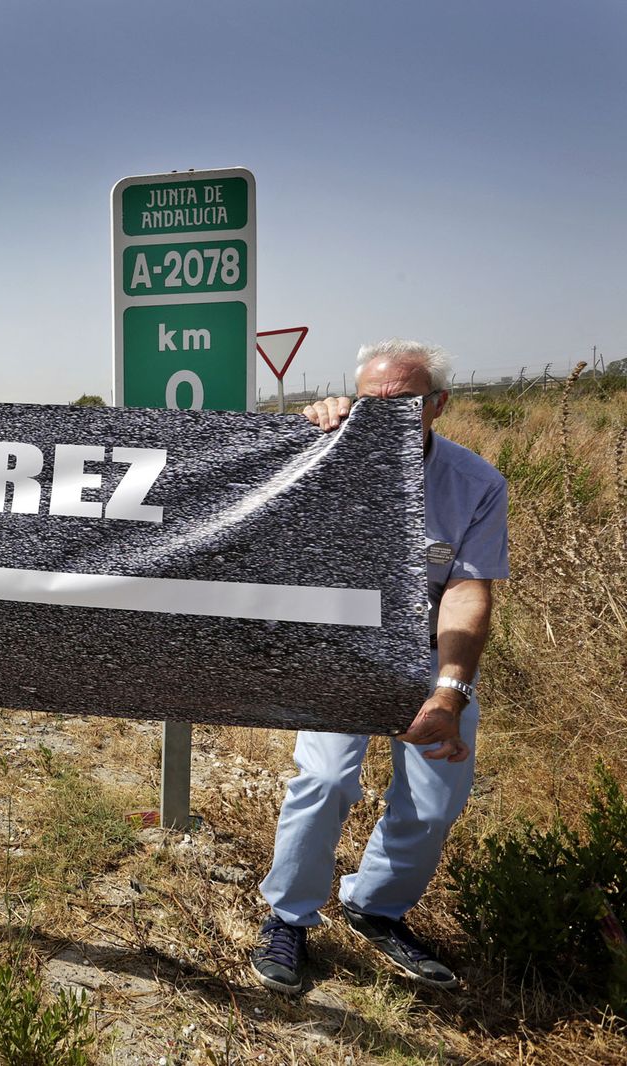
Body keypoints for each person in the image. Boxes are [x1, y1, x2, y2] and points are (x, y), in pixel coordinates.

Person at [251, 339, 508, 994]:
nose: (385, 415)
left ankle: (377, 906)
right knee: (325, 779)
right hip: (345, 646)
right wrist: (299, 429)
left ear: (439, 405)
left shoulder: (475, 485)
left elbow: (468, 590)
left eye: (405, 403)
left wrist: (450, 689)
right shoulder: (328, 453)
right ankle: (289, 918)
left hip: (426, 649)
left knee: (433, 800)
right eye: (371, 402)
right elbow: (252, 497)